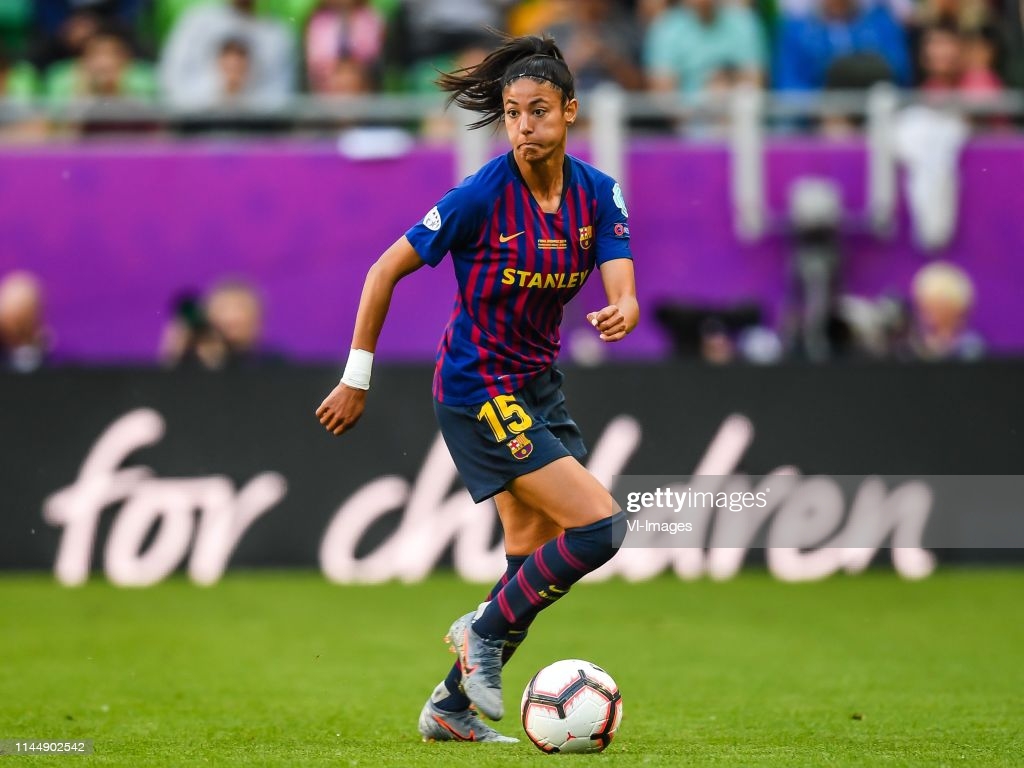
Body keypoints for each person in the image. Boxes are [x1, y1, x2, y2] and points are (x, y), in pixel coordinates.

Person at [315, 34, 637, 743]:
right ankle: (479, 632)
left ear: (570, 114)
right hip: (478, 386)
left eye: (539, 112)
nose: (524, 126)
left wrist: (627, 305)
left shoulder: (596, 192)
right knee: (601, 526)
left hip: (535, 384)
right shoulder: (480, 195)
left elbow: (619, 267)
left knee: (531, 553)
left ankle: (451, 709)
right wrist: (356, 376)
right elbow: (382, 272)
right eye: (513, 113)